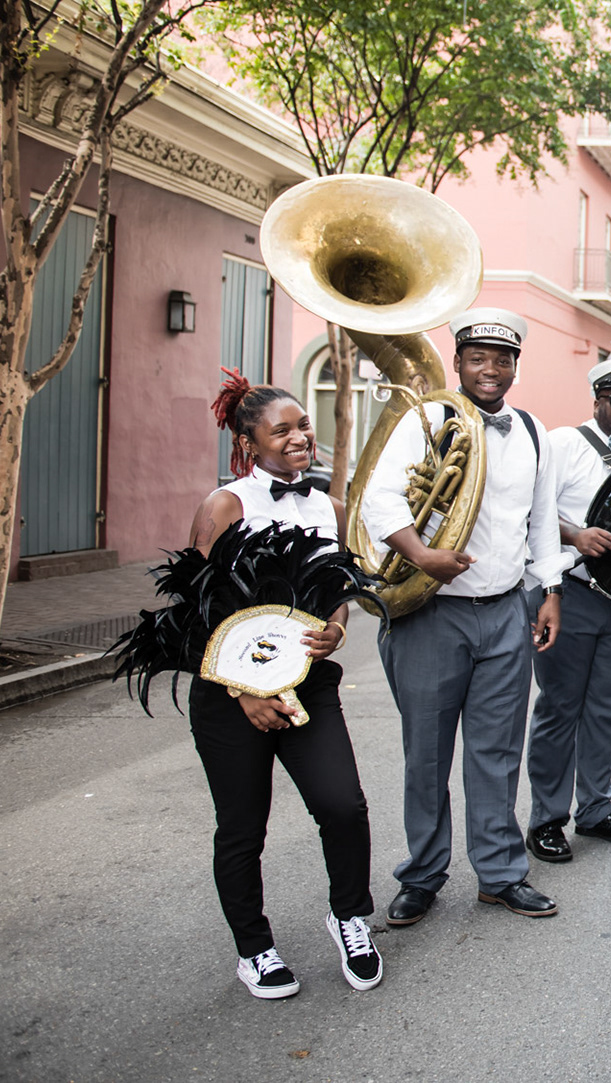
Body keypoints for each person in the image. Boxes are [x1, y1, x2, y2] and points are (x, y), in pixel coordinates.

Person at [361, 308, 569, 927]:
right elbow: (380, 496)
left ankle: (500, 874)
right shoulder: (427, 419)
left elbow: (541, 517)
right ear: (457, 363)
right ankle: (422, 876)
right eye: (478, 358)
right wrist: (422, 554)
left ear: (515, 367)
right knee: (426, 753)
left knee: (496, 752)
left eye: (502, 360)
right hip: (431, 611)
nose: (490, 369)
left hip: (506, 609)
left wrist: (550, 590)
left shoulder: (532, 431)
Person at [185, 373, 380, 998]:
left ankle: (350, 917)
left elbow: (335, 589)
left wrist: (337, 628)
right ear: (250, 441)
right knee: (243, 826)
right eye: (282, 430)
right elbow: (196, 613)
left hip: (309, 683)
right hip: (229, 695)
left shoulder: (327, 505)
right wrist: (245, 692)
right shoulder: (225, 506)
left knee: (343, 806)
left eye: (303, 426)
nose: (300, 438)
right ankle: (255, 949)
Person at [523, 353, 611, 867]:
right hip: (566, 594)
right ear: (597, 401)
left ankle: (596, 809)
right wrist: (576, 533)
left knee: (604, 711)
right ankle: (547, 819)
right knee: (559, 709)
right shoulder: (563, 444)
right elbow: (530, 509)